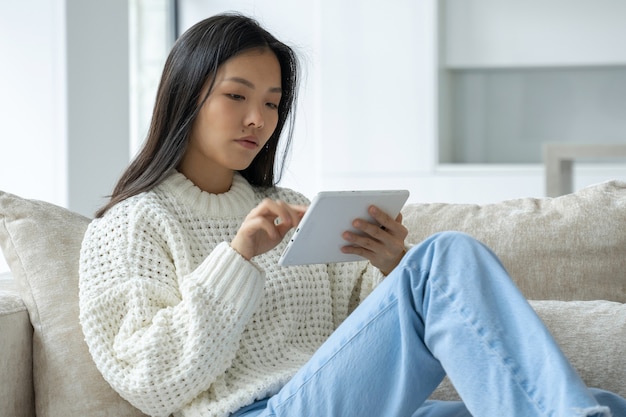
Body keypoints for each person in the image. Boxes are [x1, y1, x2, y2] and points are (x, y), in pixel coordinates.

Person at [78, 13, 625, 417]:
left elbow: (363, 340)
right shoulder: (129, 224)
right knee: (446, 255)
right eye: (236, 96)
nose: (257, 120)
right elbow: (151, 381)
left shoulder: (285, 203)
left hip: (333, 399)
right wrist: (238, 259)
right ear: (185, 96)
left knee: (600, 404)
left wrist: (391, 268)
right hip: (253, 412)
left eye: (271, 103)